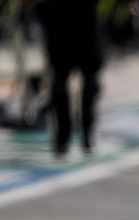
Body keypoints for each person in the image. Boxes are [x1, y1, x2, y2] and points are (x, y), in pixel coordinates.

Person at [35, 0, 104, 156]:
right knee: (59, 81)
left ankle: (86, 132)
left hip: (84, 21)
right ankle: (63, 137)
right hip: (57, 21)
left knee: (89, 80)